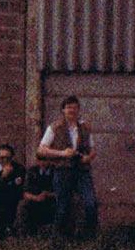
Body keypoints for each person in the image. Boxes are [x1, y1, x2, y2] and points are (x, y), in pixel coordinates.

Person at [38, 96, 98, 236]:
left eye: (75, 107)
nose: (72, 110)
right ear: (63, 110)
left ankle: (90, 239)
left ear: (79, 110)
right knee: (63, 207)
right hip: (62, 170)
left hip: (82, 171)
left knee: (90, 203)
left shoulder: (85, 128)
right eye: (69, 107)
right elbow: (40, 150)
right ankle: (59, 240)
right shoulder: (54, 127)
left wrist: (88, 157)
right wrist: (62, 153)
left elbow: (93, 150)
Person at [0, 144, 25, 234]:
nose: (5, 160)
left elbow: (17, 187)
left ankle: (8, 227)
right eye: (2, 158)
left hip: (12, 197)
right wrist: (3, 176)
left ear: (12, 157)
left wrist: (3, 181)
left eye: (8, 158)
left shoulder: (19, 169)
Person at [18, 160, 56, 233]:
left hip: (51, 199)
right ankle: (26, 232)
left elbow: (61, 192)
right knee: (23, 205)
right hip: (35, 199)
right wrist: (36, 198)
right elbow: (25, 192)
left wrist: (48, 194)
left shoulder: (55, 171)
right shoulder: (32, 171)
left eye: (45, 160)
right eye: (40, 159)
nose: (43, 162)